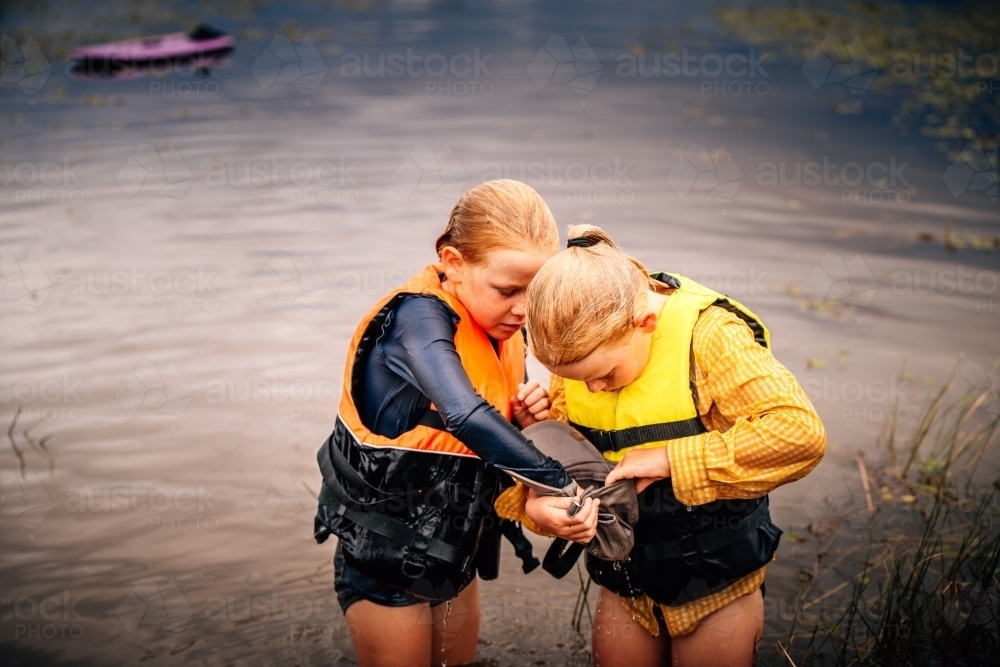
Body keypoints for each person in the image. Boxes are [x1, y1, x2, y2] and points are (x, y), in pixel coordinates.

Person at [505, 224, 826, 667]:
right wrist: (537, 507)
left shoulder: (711, 339)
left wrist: (671, 459)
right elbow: (571, 461)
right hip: (626, 585)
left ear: (646, 323)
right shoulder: (575, 347)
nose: (594, 389)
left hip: (716, 584)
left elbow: (799, 434)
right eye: (580, 379)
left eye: (606, 375)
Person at [313, 181, 600, 667]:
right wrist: (561, 485)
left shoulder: (505, 324)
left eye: (537, 289)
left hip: (453, 551)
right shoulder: (415, 319)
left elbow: (491, 433)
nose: (526, 308)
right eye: (508, 290)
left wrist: (528, 422)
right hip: (385, 557)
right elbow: (465, 414)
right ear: (452, 261)